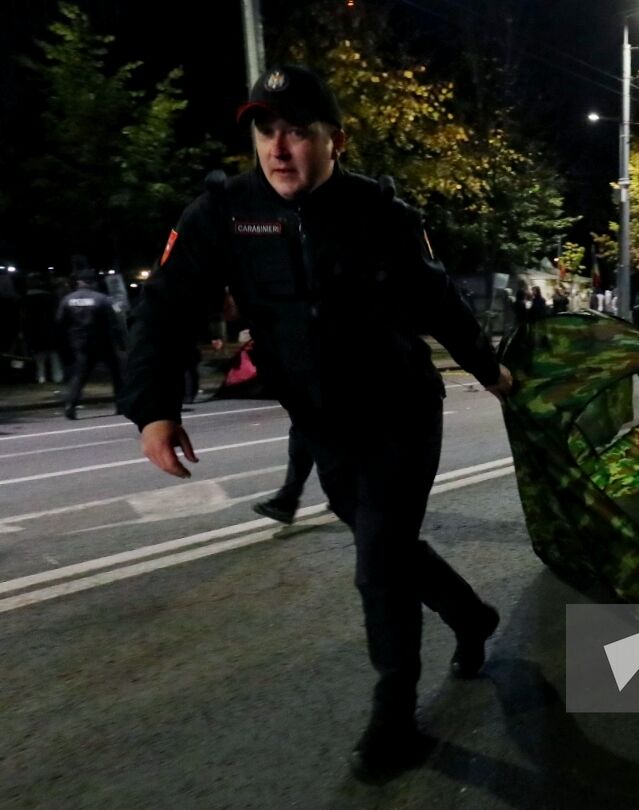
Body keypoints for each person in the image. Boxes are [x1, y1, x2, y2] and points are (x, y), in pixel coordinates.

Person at [118, 65, 513, 783]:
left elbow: (437, 300)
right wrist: (153, 408)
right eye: (267, 131)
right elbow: (167, 308)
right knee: (379, 540)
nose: (279, 148)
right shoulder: (224, 212)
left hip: (399, 411)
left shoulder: (380, 211)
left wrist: (488, 369)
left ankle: (394, 716)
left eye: (298, 131)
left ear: (337, 139)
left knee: (378, 562)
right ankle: (472, 616)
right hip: (323, 421)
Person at [59, 258, 125, 419]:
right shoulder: (102, 299)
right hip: (103, 342)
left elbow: (60, 323)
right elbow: (113, 324)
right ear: (92, 282)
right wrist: (121, 343)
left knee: (79, 376)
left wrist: (66, 344)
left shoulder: (68, 300)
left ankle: (70, 404)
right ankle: (121, 404)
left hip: (80, 343)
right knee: (117, 374)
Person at [20, 272, 63, 385]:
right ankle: (57, 377)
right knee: (54, 355)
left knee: (40, 356)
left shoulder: (25, 299)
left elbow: (24, 317)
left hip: (35, 330)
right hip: (50, 329)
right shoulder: (49, 297)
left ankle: (41, 377)